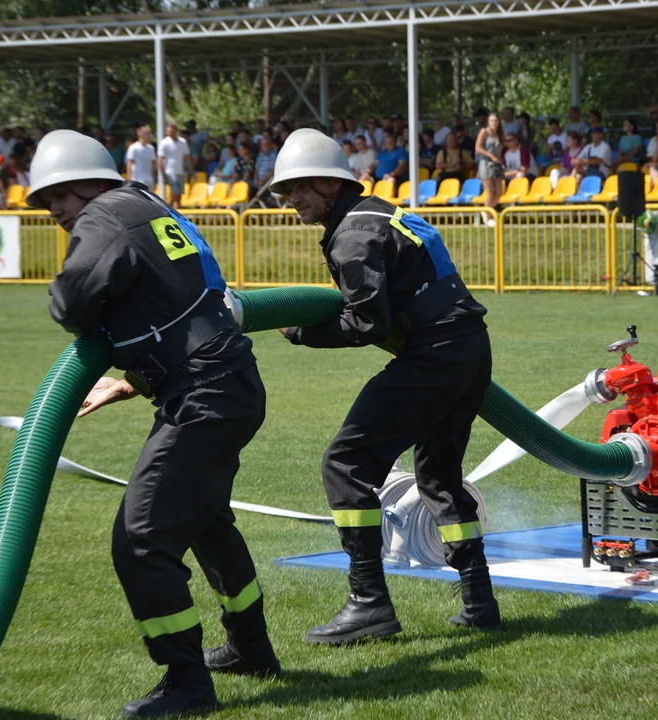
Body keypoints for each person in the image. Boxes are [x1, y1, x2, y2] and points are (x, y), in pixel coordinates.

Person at [26, 129, 280, 717]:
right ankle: (252, 649)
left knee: (140, 540)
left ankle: (187, 682)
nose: (54, 213)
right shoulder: (146, 203)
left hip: (202, 394)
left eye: (56, 198)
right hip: (226, 383)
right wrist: (133, 377)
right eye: (45, 204)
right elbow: (181, 302)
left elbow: (72, 302)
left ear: (85, 181)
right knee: (207, 524)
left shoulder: (105, 215)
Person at [269, 128, 502, 644]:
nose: (292, 200)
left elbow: (365, 325)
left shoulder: (353, 234)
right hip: (469, 347)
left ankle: (368, 603)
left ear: (331, 185)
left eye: (300, 188)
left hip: (435, 353)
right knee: (439, 477)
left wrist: (302, 333)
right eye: (287, 191)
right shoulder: (379, 211)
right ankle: (480, 601)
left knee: (345, 463)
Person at [475, 113, 505, 225]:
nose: (494, 123)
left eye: (496, 121)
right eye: (492, 121)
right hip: (486, 164)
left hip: (497, 164)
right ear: (488, 122)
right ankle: (488, 217)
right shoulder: (484, 132)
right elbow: (478, 148)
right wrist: (491, 156)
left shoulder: (500, 134)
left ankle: (487, 211)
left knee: (498, 192)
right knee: (490, 190)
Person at [158, 123, 192, 209]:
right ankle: (172, 212)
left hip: (180, 172)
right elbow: (160, 160)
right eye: (168, 130)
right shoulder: (164, 142)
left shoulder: (182, 142)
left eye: (171, 130)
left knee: (179, 196)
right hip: (169, 172)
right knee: (175, 194)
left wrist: (192, 170)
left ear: (176, 130)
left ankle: (171, 210)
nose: (169, 132)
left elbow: (187, 157)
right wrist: (163, 175)